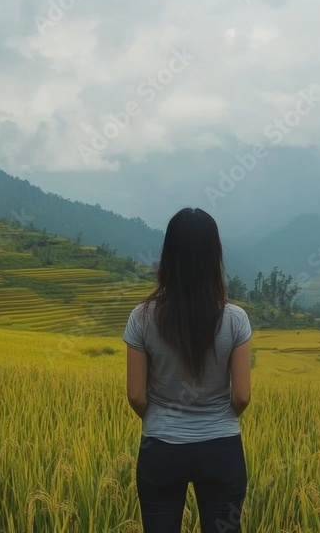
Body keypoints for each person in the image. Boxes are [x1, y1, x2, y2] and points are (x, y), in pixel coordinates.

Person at [123, 207, 253, 533]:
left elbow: (136, 396)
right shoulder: (235, 320)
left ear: (169, 255)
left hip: (161, 450)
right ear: (215, 257)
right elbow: (241, 396)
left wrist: (162, 420)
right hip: (221, 449)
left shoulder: (141, 318)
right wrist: (215, 419)